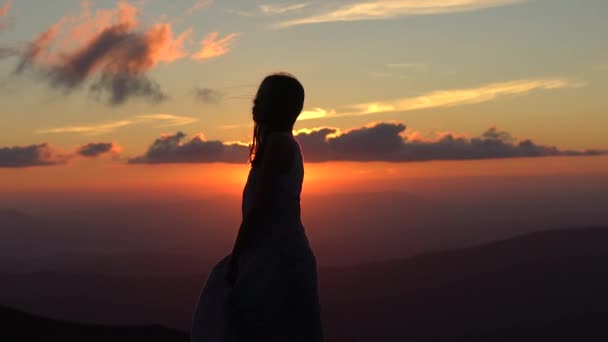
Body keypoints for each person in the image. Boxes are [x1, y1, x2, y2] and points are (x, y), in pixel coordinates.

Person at [192, 73, 324, 342]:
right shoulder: (286, 145)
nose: (254, 104)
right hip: (282, 255)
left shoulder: (277, 145)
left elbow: (260, 208)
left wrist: (237, 256)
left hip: (275, 259)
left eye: (262, 98)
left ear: (277, 105)